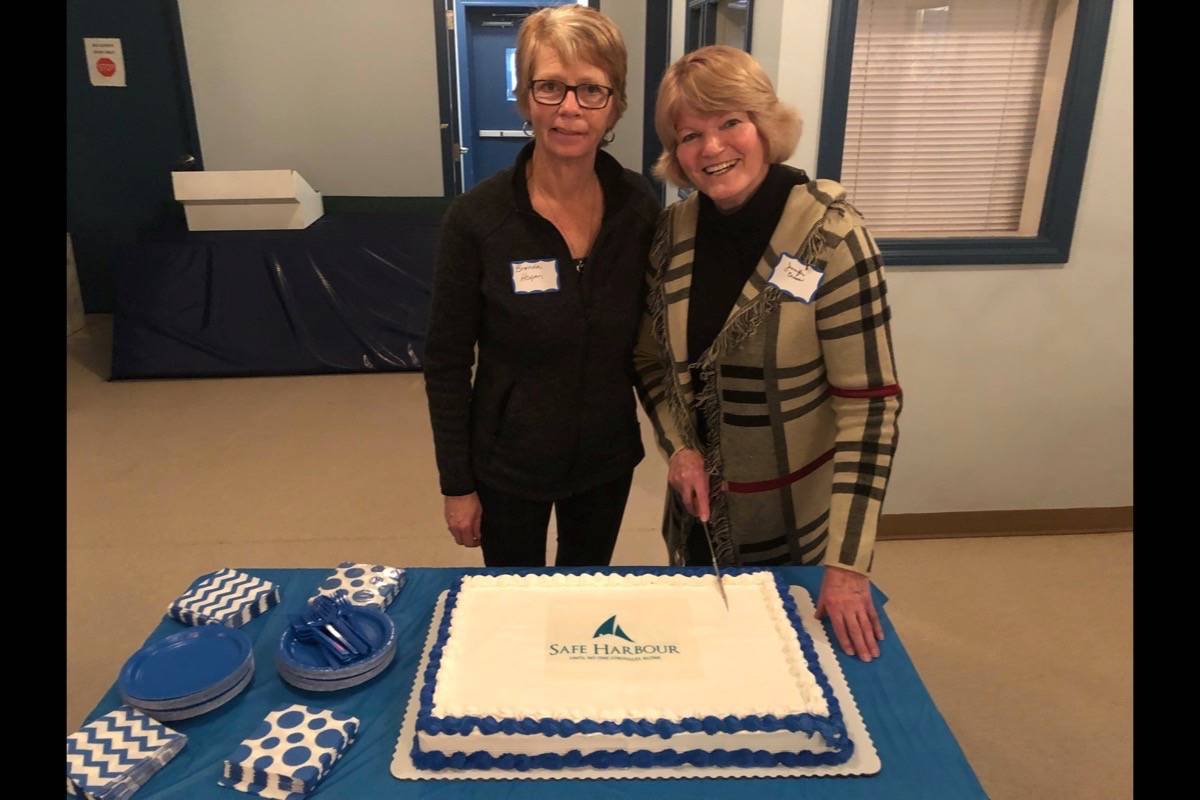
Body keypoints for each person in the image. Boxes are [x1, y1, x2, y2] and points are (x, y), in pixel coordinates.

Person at [634, 46, 902, 662]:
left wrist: (847, 566)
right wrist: (678, 449)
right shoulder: (672, 235)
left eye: (731, 122)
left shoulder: (833, 238)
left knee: (789, 680)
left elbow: (871, 410)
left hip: (795, 529)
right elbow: (651, 363)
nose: (711, 147)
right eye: (690, 134)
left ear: (767, 126)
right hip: (698, 522)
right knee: (708, 669)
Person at [424, 5, 659, 567]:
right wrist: (457, 484)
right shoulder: (478, 219)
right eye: (550, 87)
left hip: (606, 460)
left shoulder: (639, 210)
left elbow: (655, 346)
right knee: (515, 611)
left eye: (591, 90)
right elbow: (447, 360)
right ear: (526, 99)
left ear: (615, 105)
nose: (570, 108)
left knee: (584, 599)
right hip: (507, 464)